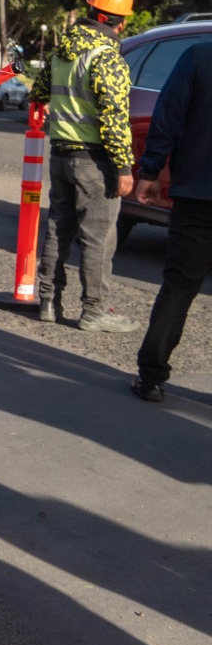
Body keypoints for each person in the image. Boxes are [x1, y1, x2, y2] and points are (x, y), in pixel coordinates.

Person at [28, 0, 138, 331]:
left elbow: (39, 92)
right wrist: (123, 167)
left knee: (58, 228)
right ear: (120, 22)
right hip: (95, 161)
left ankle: (48, 300)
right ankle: (94, 310)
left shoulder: (63, 53)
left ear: (91, 11)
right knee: (98, 236)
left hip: (61, 153)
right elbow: (114, 118)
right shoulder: (107, 58)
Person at [132, 41, 212, 402]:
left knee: (179, 286)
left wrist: (149, 170)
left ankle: (151, 377)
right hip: (196, 191)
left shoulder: (198, 56)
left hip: (196, 194)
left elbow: (168, 116)